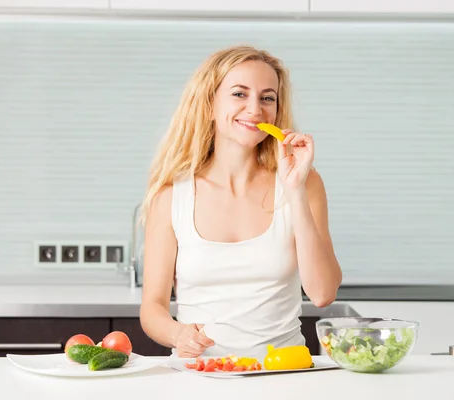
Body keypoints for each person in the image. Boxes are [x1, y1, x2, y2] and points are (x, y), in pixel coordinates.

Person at [138, 45, 342, 360]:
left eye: (267, 97)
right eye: (239, 94)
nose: (255, 109)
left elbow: (323, 293)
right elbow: (152, 308)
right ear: (209, 104)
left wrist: (295, 190)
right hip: (199, 376)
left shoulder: (304, 183)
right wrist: (178, 334)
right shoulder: (170, 196)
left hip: (283, 375)